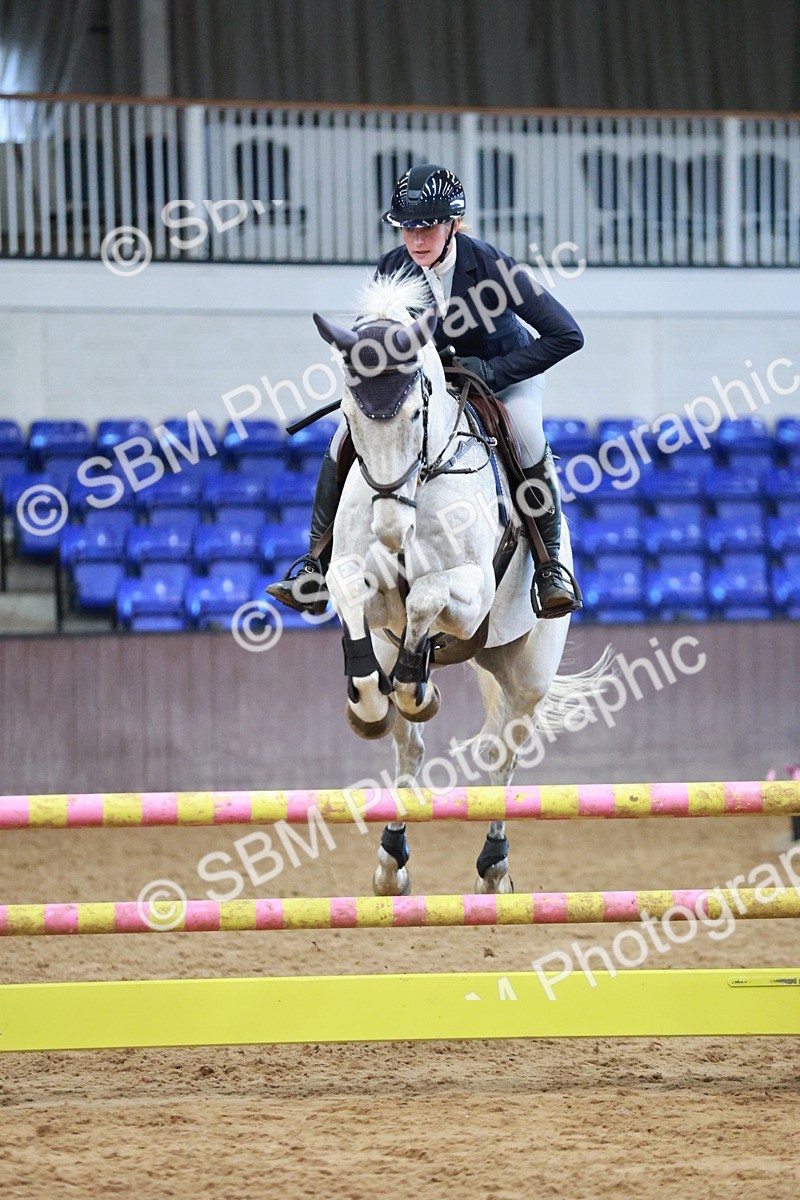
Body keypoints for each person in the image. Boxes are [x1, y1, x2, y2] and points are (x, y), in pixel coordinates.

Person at [267, 162, 584, 618]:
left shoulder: (492, 266)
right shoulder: (393, 268)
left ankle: (550, 566)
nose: (416, 239)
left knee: (529, 435)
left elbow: (567, 335)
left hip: (504, 377)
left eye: (428, 227)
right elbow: (376, 341)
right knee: (342, 437)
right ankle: (314, 566)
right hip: (430, 385)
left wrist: (492, 370)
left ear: (453, 224)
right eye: (407, 228)